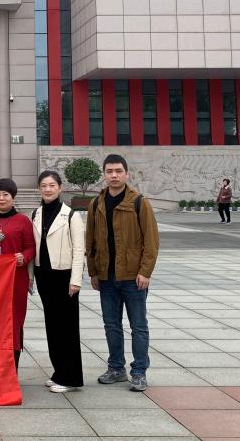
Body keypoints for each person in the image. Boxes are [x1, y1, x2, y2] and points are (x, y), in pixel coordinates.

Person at [85, 154, 160, 393]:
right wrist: (93, 271)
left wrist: (145, 272)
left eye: (118, 171)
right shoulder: (96, 204)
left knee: (138, 326)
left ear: (127, 174)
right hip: (106, 277)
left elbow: (151, 241)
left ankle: (139, 372)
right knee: (111, 325)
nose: (114, 175)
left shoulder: (139, 202)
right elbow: (90, 240)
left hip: (132, 277)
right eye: (109, 171)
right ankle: (116, 368)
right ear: (104, 175)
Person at [31, 170, 85, 392]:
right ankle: (58, 372)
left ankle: (70, 378)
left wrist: (76, 280)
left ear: (60, 188)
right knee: (52, 327)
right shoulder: (36, 213)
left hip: (64, 276)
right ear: (39, 189)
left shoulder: (71, 215)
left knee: (67, 328)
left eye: (52, 185)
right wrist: (30, 278)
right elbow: (34, 247)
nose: (48, 189)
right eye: (44, 185)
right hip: (44, 275)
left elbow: (79, 250)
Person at [0, 177, 35, 371]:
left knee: (14, 320)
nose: (1, 199)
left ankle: (12, 368)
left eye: (6, 195)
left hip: (16, 280)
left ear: (13, 197)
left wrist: (23, 257)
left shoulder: (23, 221)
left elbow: (31, 248)